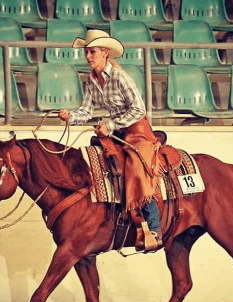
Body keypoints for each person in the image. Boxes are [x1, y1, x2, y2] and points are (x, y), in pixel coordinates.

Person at [58, 29, 162, 248]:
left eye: (92, 52)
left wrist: (111, 125)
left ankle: (154, 226)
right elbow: (86, 111)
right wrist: (71, 117)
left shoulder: (120, 77)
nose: (88, 57)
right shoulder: (91, 80)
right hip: (116, 132)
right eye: (86, 52)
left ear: (105, 53)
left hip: (138, 130)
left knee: (137, 165)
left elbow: (139, 109)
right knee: (97, 155)